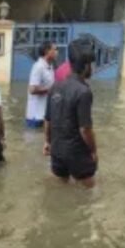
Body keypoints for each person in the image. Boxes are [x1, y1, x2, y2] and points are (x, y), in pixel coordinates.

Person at [43, 42, 98, 188]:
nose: (92, 68)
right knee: (88, 192)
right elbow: (85, 129)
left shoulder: (55, 87)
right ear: (86, 66)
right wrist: (93, 151)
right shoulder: (84, 91)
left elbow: (48, 120)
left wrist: (47, 142)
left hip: (57, 151)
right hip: (77, 153)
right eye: (91, 64)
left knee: (60, 190)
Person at [26, 41, 57, 128]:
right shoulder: (38, 66)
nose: (56, 52)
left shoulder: (50, 66)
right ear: (47, 51)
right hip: (35, 117)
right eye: (54, 49)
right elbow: (32, 89)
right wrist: (53, 89)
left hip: (45, 114)